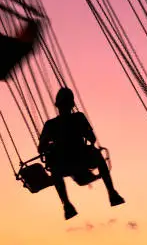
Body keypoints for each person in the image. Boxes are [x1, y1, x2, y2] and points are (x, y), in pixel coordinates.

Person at [38, 88, 125, 220]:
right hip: (77, 159)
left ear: (58, 106)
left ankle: (67, 205)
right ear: (72, 105)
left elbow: (41, 148)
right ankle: (111, 192)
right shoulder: (77, 118)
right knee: (97, 158)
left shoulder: (52, 124)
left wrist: (48, 144)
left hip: (69, 161)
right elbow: (92, 138)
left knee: (56, 171)